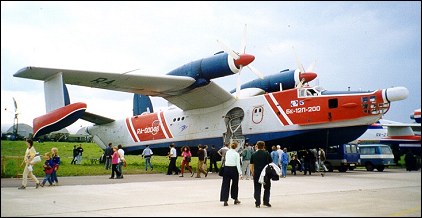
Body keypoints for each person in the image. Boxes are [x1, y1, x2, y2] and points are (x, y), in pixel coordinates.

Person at [250, 140, 272, 208]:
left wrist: (252, 172)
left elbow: (251, 165)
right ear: (263, 146)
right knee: (267, 188)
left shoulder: (253, 154)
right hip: (265, 173)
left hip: (257, 173)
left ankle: (257, 203)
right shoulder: (267, 153)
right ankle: (266, 202)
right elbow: (271, 163)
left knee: (257, 188)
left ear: (257, 146)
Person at [219, 142, 242, 206]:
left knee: (225, 184)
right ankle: (235, 199)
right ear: (236, 147)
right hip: (234, 169)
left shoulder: (227, 152)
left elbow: (224, 160)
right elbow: (238, 164)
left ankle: (225, 200)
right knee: (235, 185)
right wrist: (240, 173)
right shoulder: (236, 154)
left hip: (226, 169)